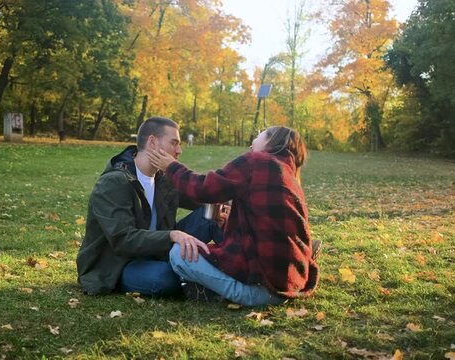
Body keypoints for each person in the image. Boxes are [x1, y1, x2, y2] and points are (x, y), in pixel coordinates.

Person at [148, 126, 319, 306]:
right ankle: (301, 258)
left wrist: (171, 167)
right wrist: (231, 221)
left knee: (178, 254)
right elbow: (265, 224)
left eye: (260, 133)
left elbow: (203, 189)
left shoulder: (256, 161)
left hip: (262, 291)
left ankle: (216, 291)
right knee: (211, 232)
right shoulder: (289, 174)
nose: (253, 141)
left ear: (271, 140)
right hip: (292, 284)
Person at [76, 117, 222, 297]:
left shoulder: (164, 178)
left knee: (212, 213)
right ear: (152, 142)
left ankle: (243, 269)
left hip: (159, 252)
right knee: (163, 278)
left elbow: (200, 195)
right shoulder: (113, 183)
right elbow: (123, 240)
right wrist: (172, 235)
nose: (179, 150)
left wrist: (226, 205)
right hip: (121, 263)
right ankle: (196, 277)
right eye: (174, 143)